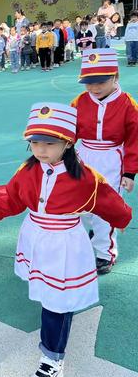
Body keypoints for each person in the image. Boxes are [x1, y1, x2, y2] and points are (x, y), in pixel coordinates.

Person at [0, 102, 132, 377]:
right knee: (52, 294)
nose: (41, 149)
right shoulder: (27, 170)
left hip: (65, 244)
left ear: (68, 142)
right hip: (35, 237)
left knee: (57, 300)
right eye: (35, 142)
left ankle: (52, 358)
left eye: (49, 142)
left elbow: (111, 203)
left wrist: (122, 218)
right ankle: (56, 334)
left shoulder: (85, 178)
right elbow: (12, 198)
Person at [71, 48, 138, 274]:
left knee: (105, 209)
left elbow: (134, 140)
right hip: (84, 157)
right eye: (89, 82)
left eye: (101, 81)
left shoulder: (128, 104)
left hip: (112, 160)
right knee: (80, 206)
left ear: (115, 77)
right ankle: (87, 239)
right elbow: (69, 132)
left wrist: (129, 173)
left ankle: (104, 254)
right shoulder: (80, 101)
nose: (94, 87)